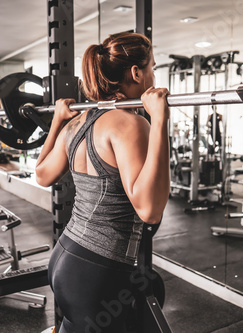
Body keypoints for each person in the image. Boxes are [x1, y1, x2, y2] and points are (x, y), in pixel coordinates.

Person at [35, 32, 170, 333]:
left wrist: (57, 121)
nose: (153, 75)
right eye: (152, 67)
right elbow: (150, 210)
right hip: (99, 271)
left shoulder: (77, 123)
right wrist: (159, 120)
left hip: (64, 257)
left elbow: (42, 174)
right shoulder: (131, 124)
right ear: (137, 72)